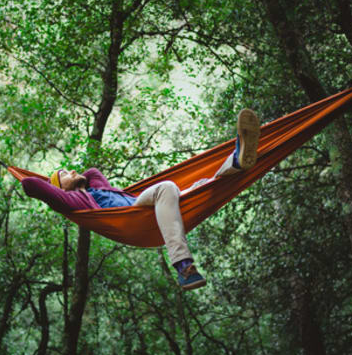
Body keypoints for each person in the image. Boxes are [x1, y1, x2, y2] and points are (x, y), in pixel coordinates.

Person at [21, 109, 260, 291]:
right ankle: (183, 267)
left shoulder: (96, 188)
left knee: (201, 186)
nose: (72, 171)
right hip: (134, 215)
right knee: (166, 187)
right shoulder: (78, 202)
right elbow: (31, 185)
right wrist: (33, 177)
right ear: (61, 191)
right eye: (65, 175)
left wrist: (73, 178)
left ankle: (236, 163)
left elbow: (92, 172)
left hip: (152, 210)